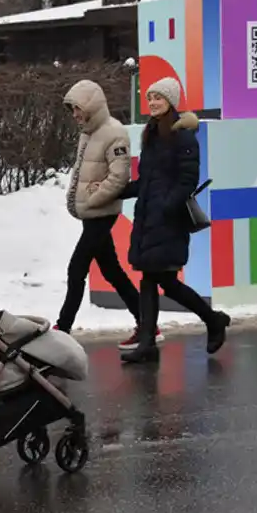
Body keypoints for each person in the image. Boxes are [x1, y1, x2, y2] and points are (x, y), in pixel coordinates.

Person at [118, 78, 231, 365]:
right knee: (155, 280)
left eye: (159, 98)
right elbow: (147, 181)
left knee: (161, 280)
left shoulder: (183, 137)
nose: (153, 102)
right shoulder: (153, 134)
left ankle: (210, 320)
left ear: (171, 101)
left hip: (168, 221)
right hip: (149, 219)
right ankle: (151, 342)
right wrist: (118, 191)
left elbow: (187, 182)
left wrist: (165, 208)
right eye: (150, 97)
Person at [57, 79, 162, 350]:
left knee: (76, 268)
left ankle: (63, 328)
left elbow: (119, 177)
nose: (75, 115)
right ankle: (147, 323)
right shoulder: (87, 132)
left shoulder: (114, 133)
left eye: (78, 108)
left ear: (91, 106)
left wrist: (93, 199)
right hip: (92, 213)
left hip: (102, 212)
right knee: (112, 271)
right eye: (72, 110)